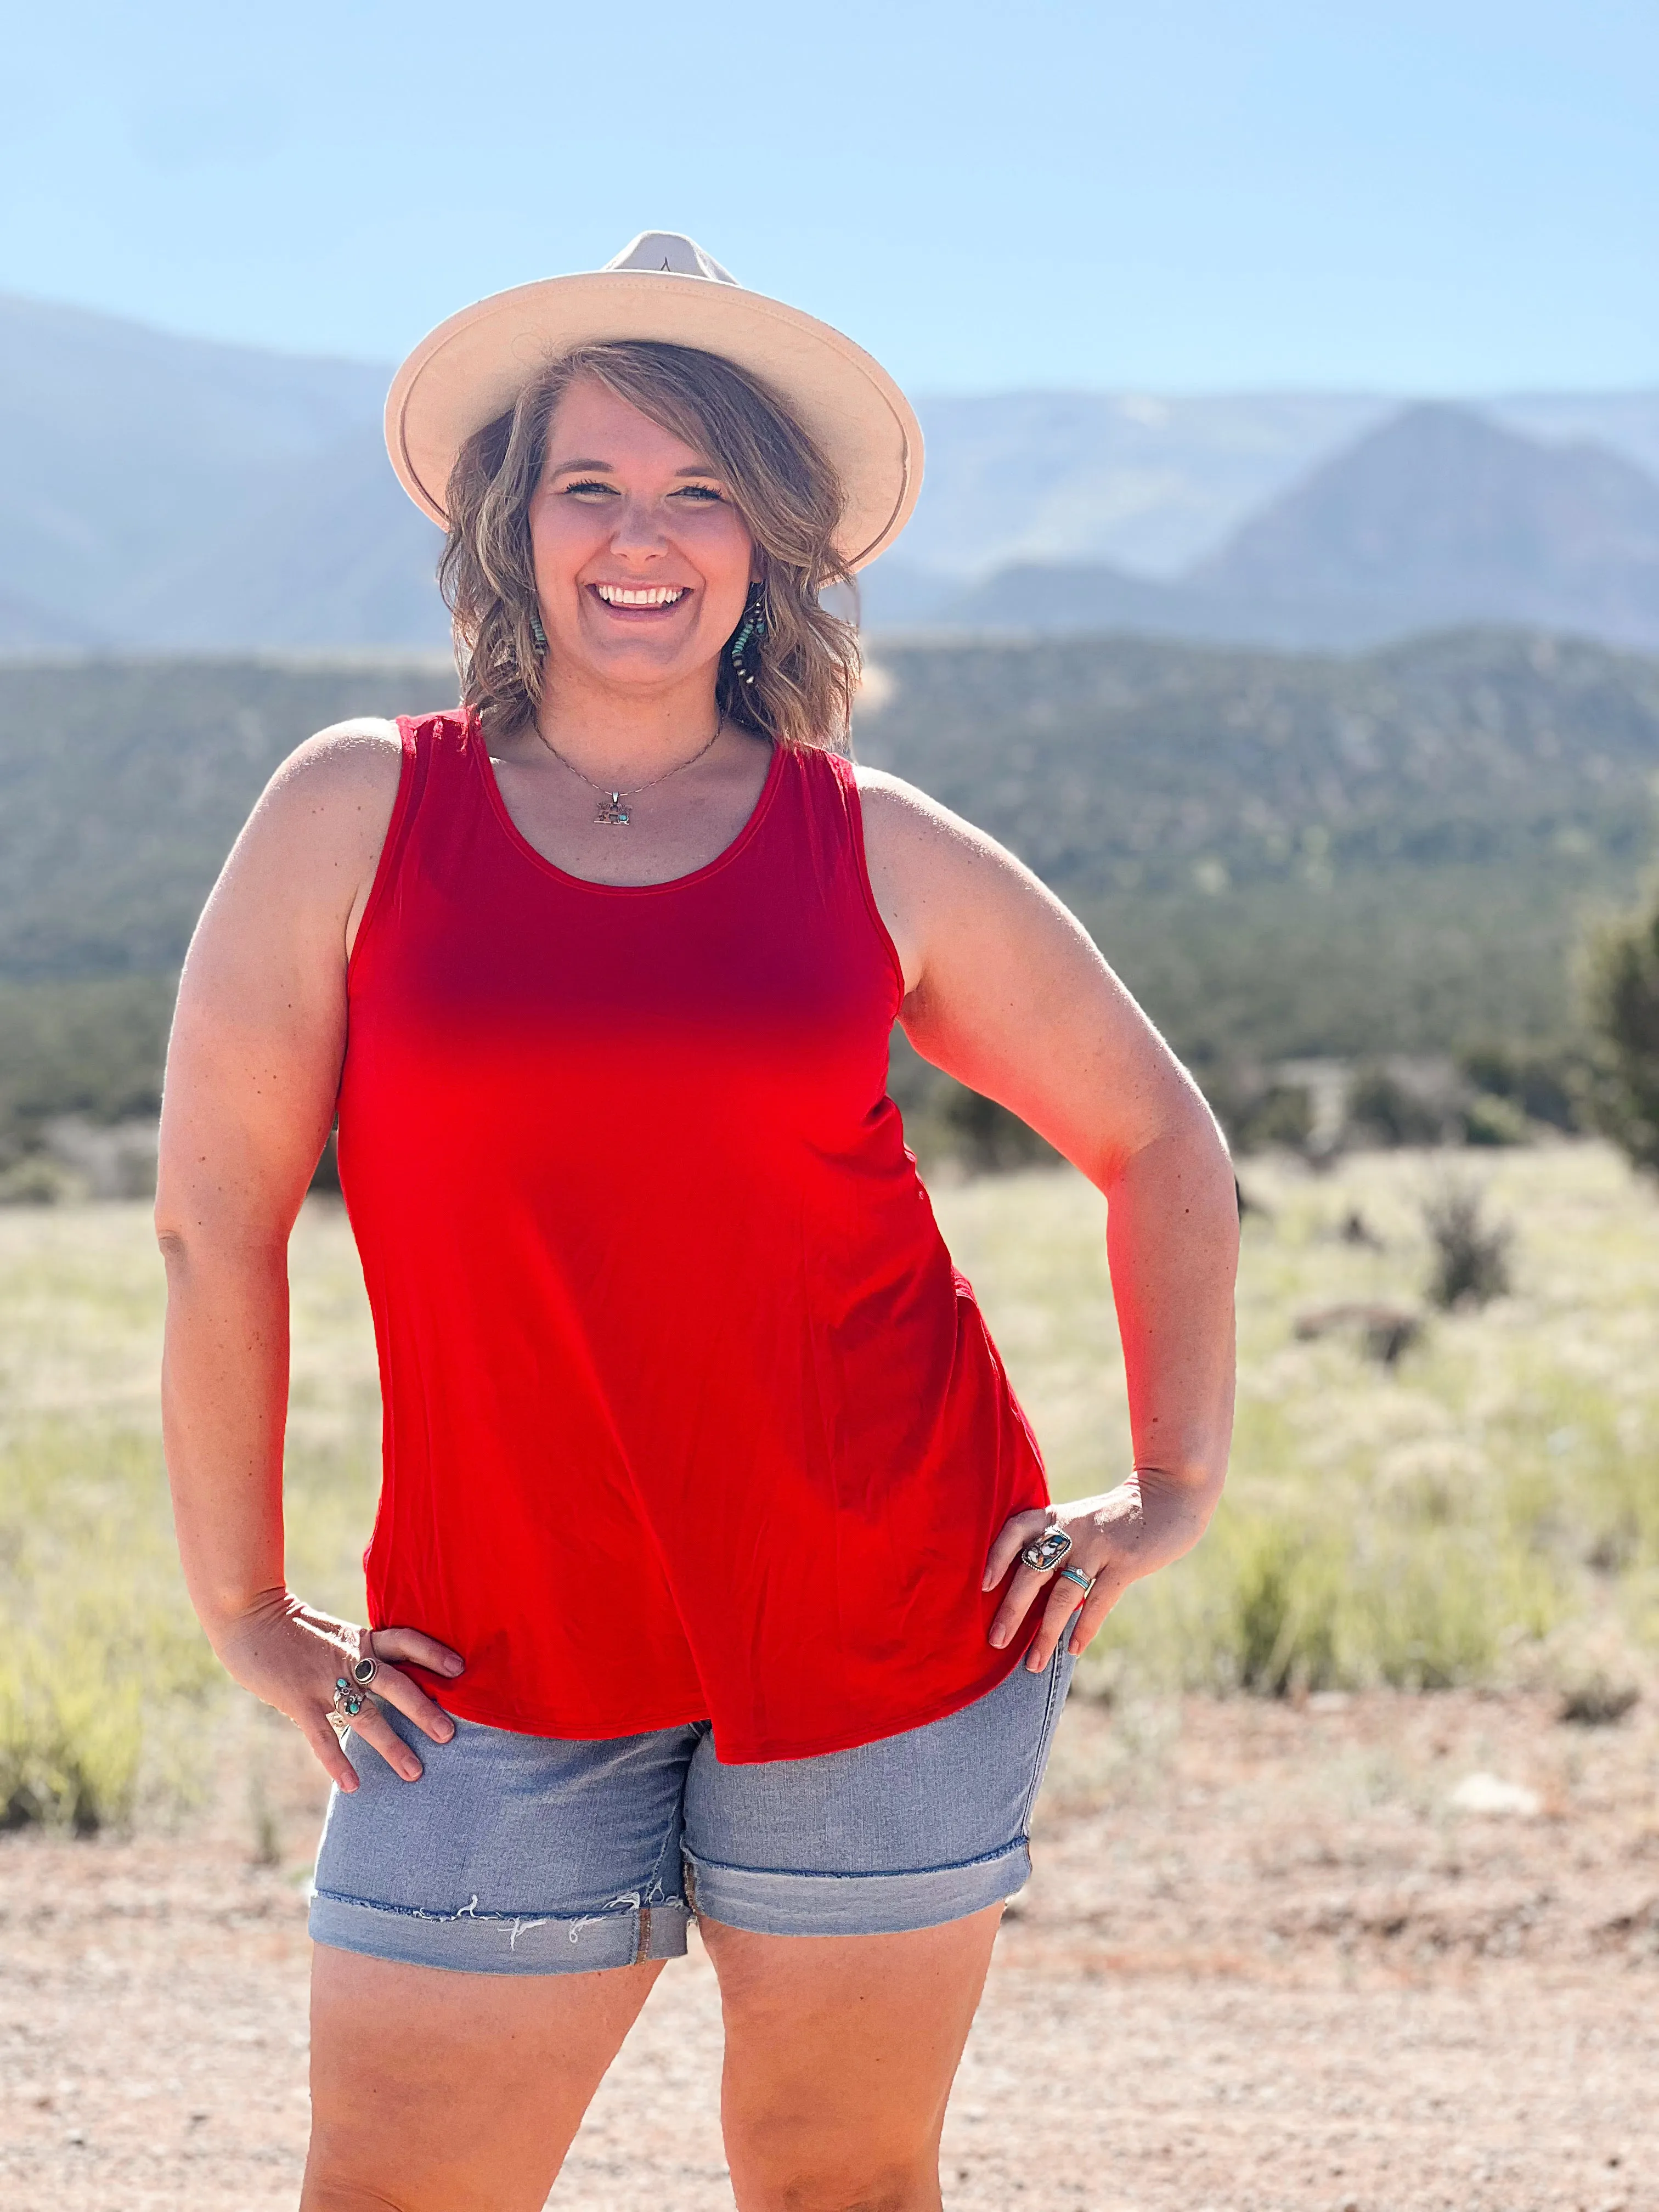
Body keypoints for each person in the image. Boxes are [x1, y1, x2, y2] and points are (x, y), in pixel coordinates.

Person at [156, 232, 1238, 2212]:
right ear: (511, 524)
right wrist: (241, 1606)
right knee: (396, 2192)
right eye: (591, 485)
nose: (641, 538)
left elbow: (1165, 1144)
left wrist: (1173, 1481)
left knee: (837, 2181)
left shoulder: (874, 843)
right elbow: (213, 1224)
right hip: (483, 1654)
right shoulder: (357, 814)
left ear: (768, 544)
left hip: (891, 1621)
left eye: (700, 492)